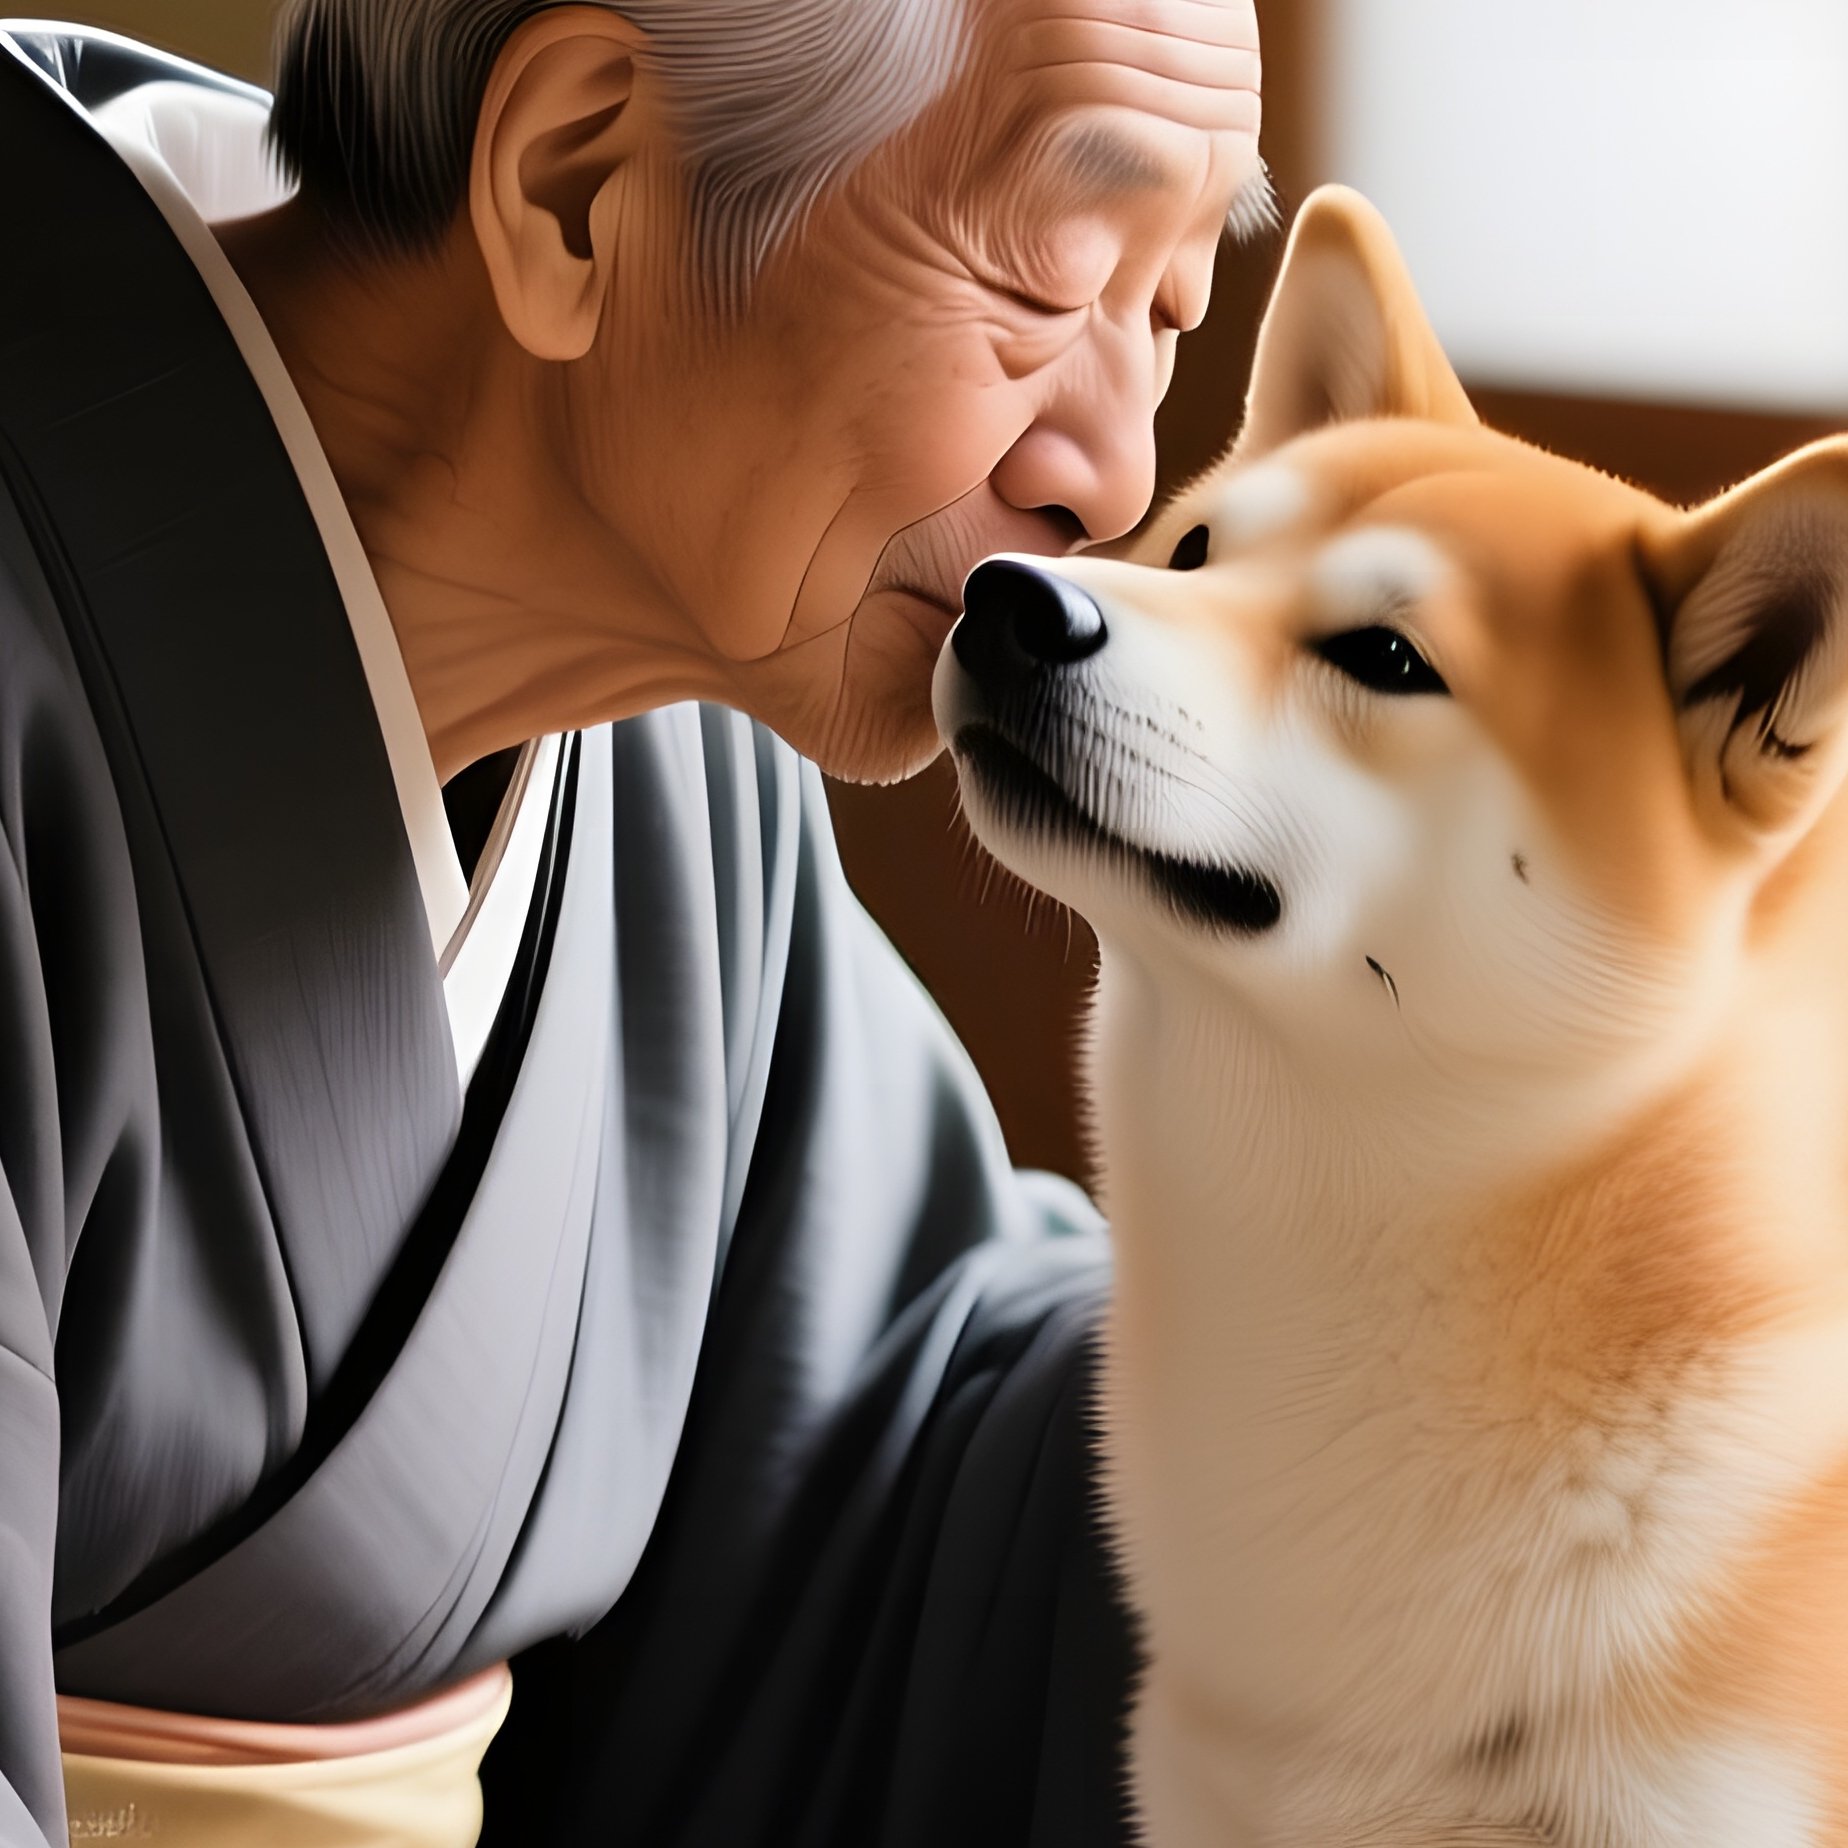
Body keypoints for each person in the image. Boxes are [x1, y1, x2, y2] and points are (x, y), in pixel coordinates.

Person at [0, 3, 1266, 1842]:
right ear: (580, 186)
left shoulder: (675, 738)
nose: (1117, 475)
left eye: (1165, 313)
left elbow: (891, 1454)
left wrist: (1472, 1433)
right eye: (1048, 279)